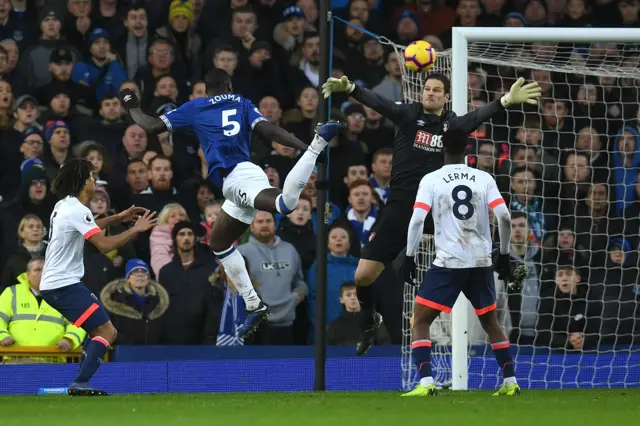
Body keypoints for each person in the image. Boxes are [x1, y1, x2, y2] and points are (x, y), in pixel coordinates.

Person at [321, 72, 541, 355]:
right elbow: (380, 103)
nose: (430, 93)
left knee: (472, 237)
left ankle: (504, 260)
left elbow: (477, 117)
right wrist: (351, 86)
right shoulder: (409, 115)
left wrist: (506, 100)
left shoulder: (452, 124)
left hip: (438, 212)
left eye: (437, 90)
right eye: (427, 89)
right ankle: (368, 320)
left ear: (446, 96)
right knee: (363, 276)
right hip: (401, 210)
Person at [119, 67, 342, 338]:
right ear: (229, 84)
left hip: (239, 177)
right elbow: (269, 129)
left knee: (284, 205)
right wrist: (298, 142)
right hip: (235, 182)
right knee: (219, 243)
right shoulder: (242, 102)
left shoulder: (196, 107)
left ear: (206, 87)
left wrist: (131, 104)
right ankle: (253, 303)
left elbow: (151, 125)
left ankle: (318, 143)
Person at [401, 129, 518, 397]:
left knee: (419, 320)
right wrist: (504, 253)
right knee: (491, 322)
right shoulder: (484, 177)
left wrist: (409, 256)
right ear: (468, 150)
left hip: (449, 262)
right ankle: (510, 382)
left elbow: (418, 220)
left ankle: (426, 382)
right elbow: (505, 217)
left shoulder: (432, 179)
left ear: (442, 148)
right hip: (480, 260)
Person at [39, 159, 157, 396]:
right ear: (83, 182)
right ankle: (80, 384)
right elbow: (103, 245)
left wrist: (118, 218)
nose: (94, 180)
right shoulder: (77, 210)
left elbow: (87, 228)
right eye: (92, 177)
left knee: (98, 333)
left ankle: (79, 384)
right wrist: (135, 229)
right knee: (107, 332)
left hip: (57, 283)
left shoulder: (63, 205)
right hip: (63, 284)